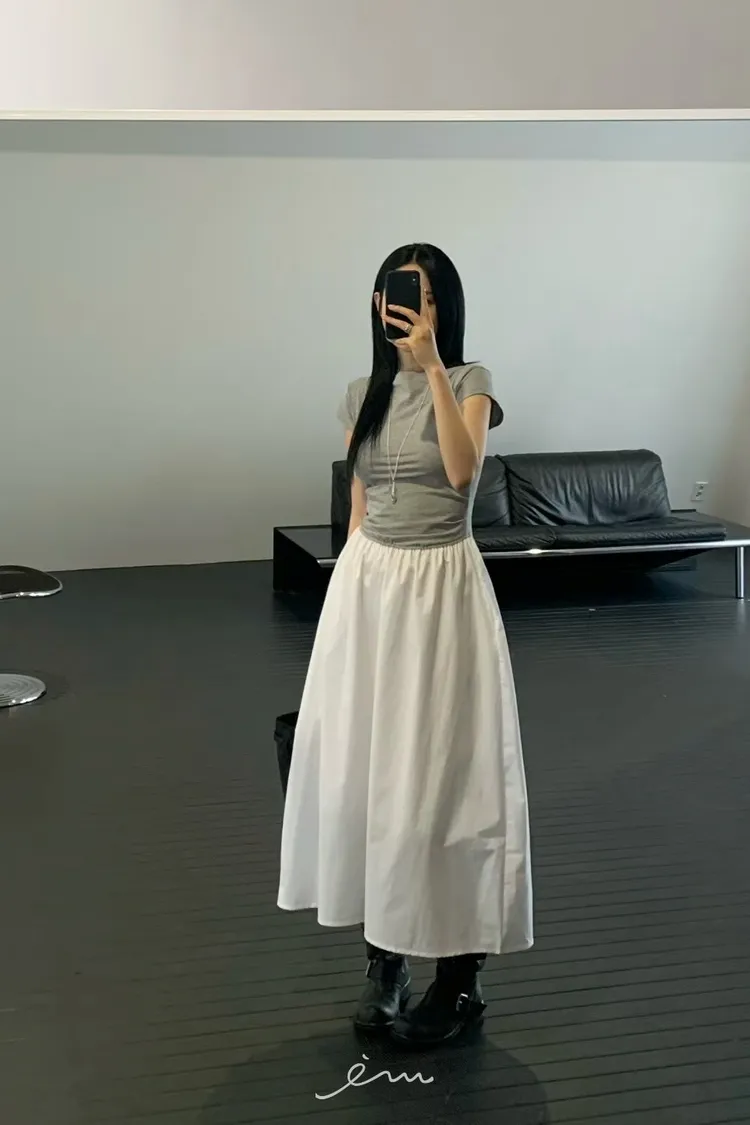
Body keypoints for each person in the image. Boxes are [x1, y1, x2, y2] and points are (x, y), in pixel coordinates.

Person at [278, 242, 532, 1048]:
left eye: (421, 296)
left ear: (442, 306)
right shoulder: (361, 394)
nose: (407, 309)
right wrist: (341, 609)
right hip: (370, 586)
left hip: (442, 587)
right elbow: (359, 505)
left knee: (446, 777)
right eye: (395, 294)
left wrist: (431, 369)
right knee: (367, 774)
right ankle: (384, 959)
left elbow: (461, 475)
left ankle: (460, 977)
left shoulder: (472, 381)